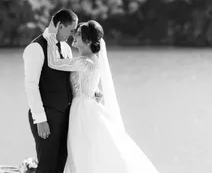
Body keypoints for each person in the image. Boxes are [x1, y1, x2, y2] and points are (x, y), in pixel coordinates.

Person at [43, 20, 160, 173]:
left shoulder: (84, 61)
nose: (74, 36)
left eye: (78, 34)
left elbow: (54, 63)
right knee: (87, 151)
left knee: (82, 152)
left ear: (88, 41)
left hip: (82, 112)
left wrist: (50, 37)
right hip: (87, 107)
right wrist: (95, 91)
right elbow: (89, 83)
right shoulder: (93, 60)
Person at [23, 9, 102, 173]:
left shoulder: (65, 48)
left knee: (62, 165)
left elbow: (73, 79)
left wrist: (91, 91)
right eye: (71, 30)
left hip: (69, 117)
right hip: (47, 116)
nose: (73, 35)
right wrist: (40, 119)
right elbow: (31, 85)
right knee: (47, 166)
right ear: (59, 26)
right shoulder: (35, 48)